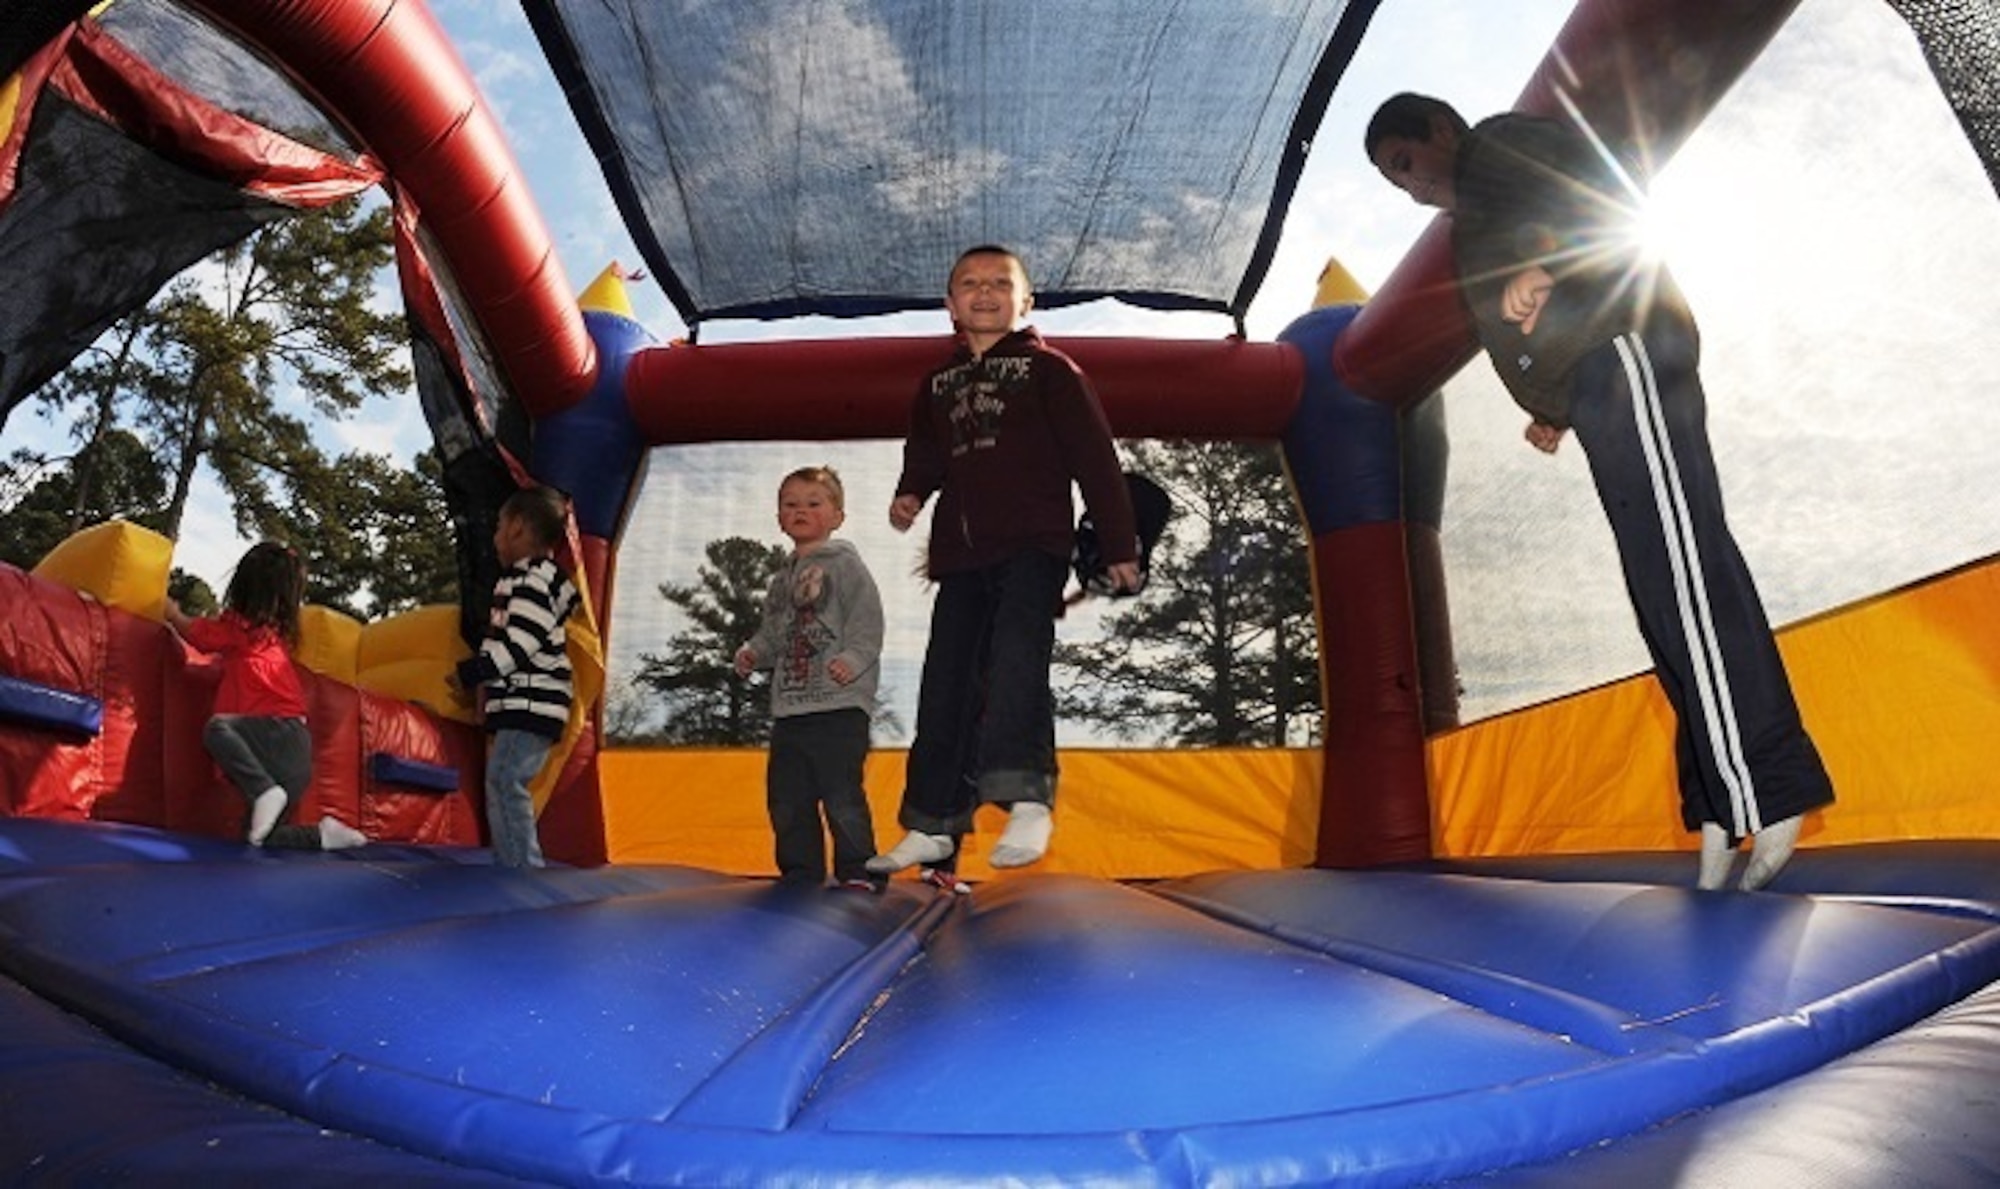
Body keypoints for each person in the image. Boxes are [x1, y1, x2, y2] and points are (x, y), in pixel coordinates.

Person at [1364, 93, 1834, 891]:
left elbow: (1602, 192)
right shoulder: (1473, 213)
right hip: (1594, 384)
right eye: (1390, 181)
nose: (1407, 187)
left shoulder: (1503, 147)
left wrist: (1553, 261)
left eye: (1405, 163)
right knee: (1658, 586)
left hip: (1625, 349)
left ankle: (1769, 782)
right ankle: (1720, 794)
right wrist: (1552, 408)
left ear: (1441, 129)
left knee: (1686, 569)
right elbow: (1527, 319)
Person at [868, 244, 1141, 880]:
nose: (984, 293)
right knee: (945, 682)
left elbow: (1095, 458)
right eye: (969, 283)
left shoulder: (1050, 371)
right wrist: (912, 491)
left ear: (1026, 302)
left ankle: (1025, 795)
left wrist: (1120, 544)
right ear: (950, 304)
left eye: (1000, 283)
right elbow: (927, 449)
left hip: (1031, 545)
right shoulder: (936, 384)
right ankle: (932, 822)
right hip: (960, 557)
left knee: (1018, 660)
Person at [734, 466, 887, 890]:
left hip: (839, 705)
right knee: (787, 798)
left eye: (813, 503)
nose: (801, 510)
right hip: (791, 707)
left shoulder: (847, 568)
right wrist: (752, 653)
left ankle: (859, 870)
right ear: (779, 516)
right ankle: (801, 872)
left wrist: (854, 659)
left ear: (837, 515)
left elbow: (867, 622)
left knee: (841, 794)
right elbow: (774, 633)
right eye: (791, 504)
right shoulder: (781, 580)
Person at [165, 541, 367, 852]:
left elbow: (195, 633)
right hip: (292, 749)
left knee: (218, 729)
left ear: (243, 589)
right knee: (259, 838)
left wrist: (168, 609)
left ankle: (263, 791)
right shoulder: (270, 638)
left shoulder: (242, 630)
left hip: (277, 736)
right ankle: (325, 835)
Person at [453, 484, 580, 868]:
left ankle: (521, 870)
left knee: (505, 780)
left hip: (532, 702)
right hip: (529, 702)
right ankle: (514, 862)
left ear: (518, 528)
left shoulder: (530, 582)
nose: (494, 538)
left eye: (498, 527)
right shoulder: (530, 581)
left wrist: (474, 673)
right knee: (505, 780)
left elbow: (518, 645)